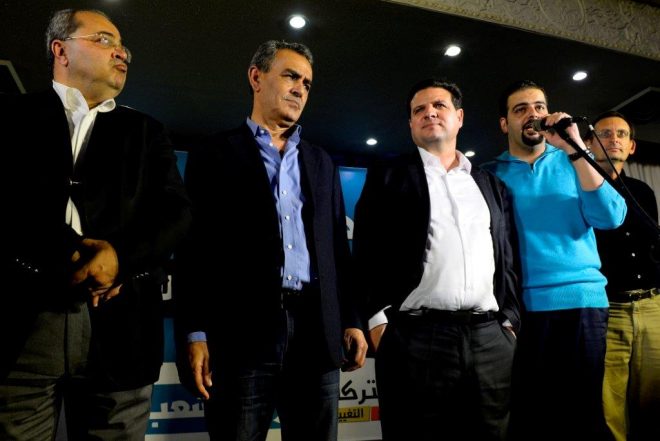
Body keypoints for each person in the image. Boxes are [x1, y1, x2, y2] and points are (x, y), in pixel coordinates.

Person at [0, 8, 192, 441]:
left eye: (123, 47)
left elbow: (175, 215)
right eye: (104, 40)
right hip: (22, 325)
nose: (121, 53)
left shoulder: (146, 131)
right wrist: (69, 254)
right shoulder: (10, 116)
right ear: (60, 50)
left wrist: (119, 258)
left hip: (121, 329)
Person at [174, 40, 368, 441]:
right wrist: (195, 332)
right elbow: (194, 252)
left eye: (307, 83)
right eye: (291, 76)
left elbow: (337, 250)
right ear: (256, 77)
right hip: (240, 335)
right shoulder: (214, 153)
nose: (300, 88)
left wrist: (351, 319)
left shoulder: (321, 161)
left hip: (316, 335)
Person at [352, 78, 521, 441]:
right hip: (415, 339)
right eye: (419, 110)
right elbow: (365, 252)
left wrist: (509, 322)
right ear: (411, 124)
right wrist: (379, 323)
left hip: (490, 339)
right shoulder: (389, 176)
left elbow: (507, 258)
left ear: (459, 117)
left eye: (439, 106)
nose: (429, 113)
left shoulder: (490, 185)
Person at [482, 80, 627, 441]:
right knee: (530, 416)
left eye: (540, 107)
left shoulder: (574, 159)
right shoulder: (487, 174)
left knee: (583, 416)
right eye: (521, 109)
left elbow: (611, 217)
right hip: (522, 309)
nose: (533, 114)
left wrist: (575, 148)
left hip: (582, 303)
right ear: (504, 124)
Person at [585, 111, 660, 441]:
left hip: (652, 305)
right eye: (604, 133)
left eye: (621, 134)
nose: (613, 139)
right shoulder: (579, 189)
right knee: (609, 402)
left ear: (631, 146)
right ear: (589, 143)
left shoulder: (643, 190)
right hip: (608, 309)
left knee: (654, 397)